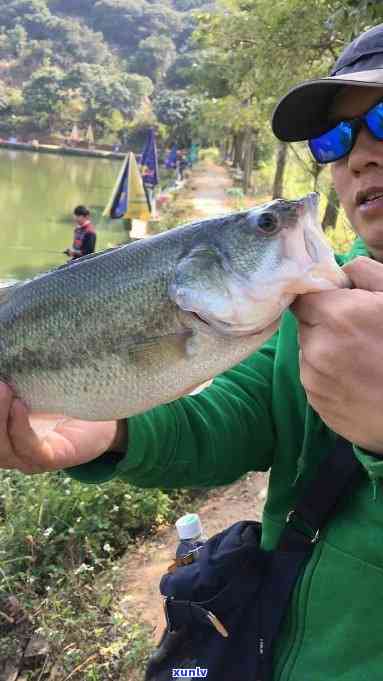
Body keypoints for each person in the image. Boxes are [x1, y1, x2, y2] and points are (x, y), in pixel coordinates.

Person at [3, 22, 383, 680]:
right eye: (336, 138)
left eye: (382, 117)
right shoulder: (318, 294)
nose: (357, 157)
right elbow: (244, 415)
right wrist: (113, 431)